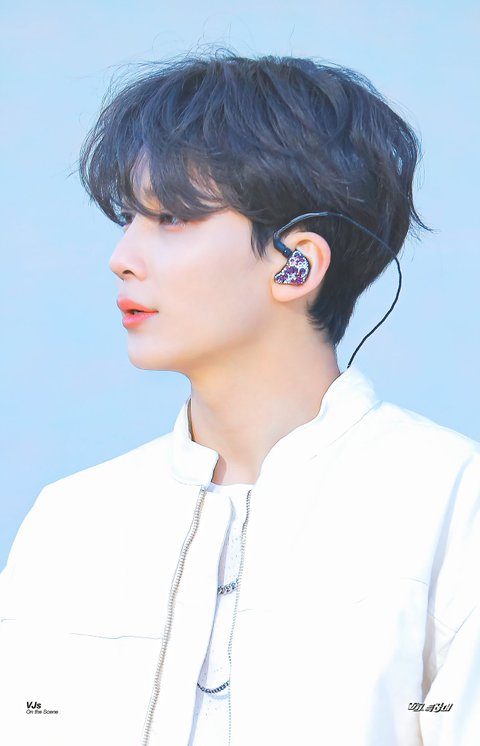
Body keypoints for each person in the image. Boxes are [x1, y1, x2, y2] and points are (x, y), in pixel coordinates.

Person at [0, 50, 479, 746]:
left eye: (170, 218)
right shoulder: (71, 522)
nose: (122, 257)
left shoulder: (452, 502)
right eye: (128, 218)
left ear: (296, 264)